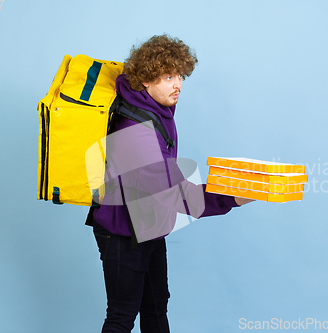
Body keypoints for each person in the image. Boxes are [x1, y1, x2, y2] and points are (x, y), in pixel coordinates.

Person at [89, 34, 252, 333]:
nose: (177, 84)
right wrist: (234, 196)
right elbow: (175, 194)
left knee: (155, 306)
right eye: (167, 76)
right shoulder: (135, 129)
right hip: (121, 230)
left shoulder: (155, 109)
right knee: (122, 316)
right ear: (146, 80)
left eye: (179, 75)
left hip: (147, 221)